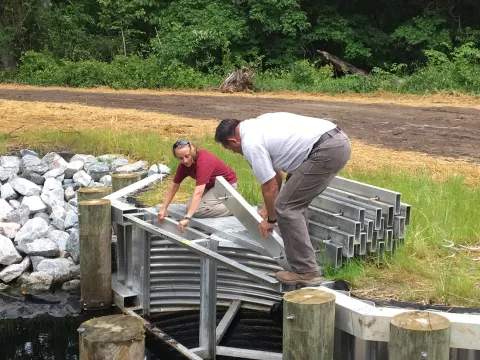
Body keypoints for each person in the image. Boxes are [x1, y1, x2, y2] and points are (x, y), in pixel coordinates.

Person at [214, 112, 351, 286]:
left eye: (231, 150)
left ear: (234, 141)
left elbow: (269, 187)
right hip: (334, 142)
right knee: (292, 201)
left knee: (286, 208)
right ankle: (304, 258)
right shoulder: (255, 125)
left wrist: (271, 219)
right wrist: (266, 208)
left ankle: (305, 271)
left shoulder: (250, 144)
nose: (235, 153)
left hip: (325, 150)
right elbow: (276, 176)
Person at [157, 140, 238, 232]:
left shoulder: (203, 161)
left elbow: (198, 192)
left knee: (198, 211)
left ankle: (235, 208)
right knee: (189, 208)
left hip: (227, 184)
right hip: (212, 185)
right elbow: (174, 186)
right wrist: (163, 209)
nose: (185, 161)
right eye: (180, 158)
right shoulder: (183, 165)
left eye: (187, 156)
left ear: (192, 151)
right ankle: (221, 203)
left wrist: (187, 218)